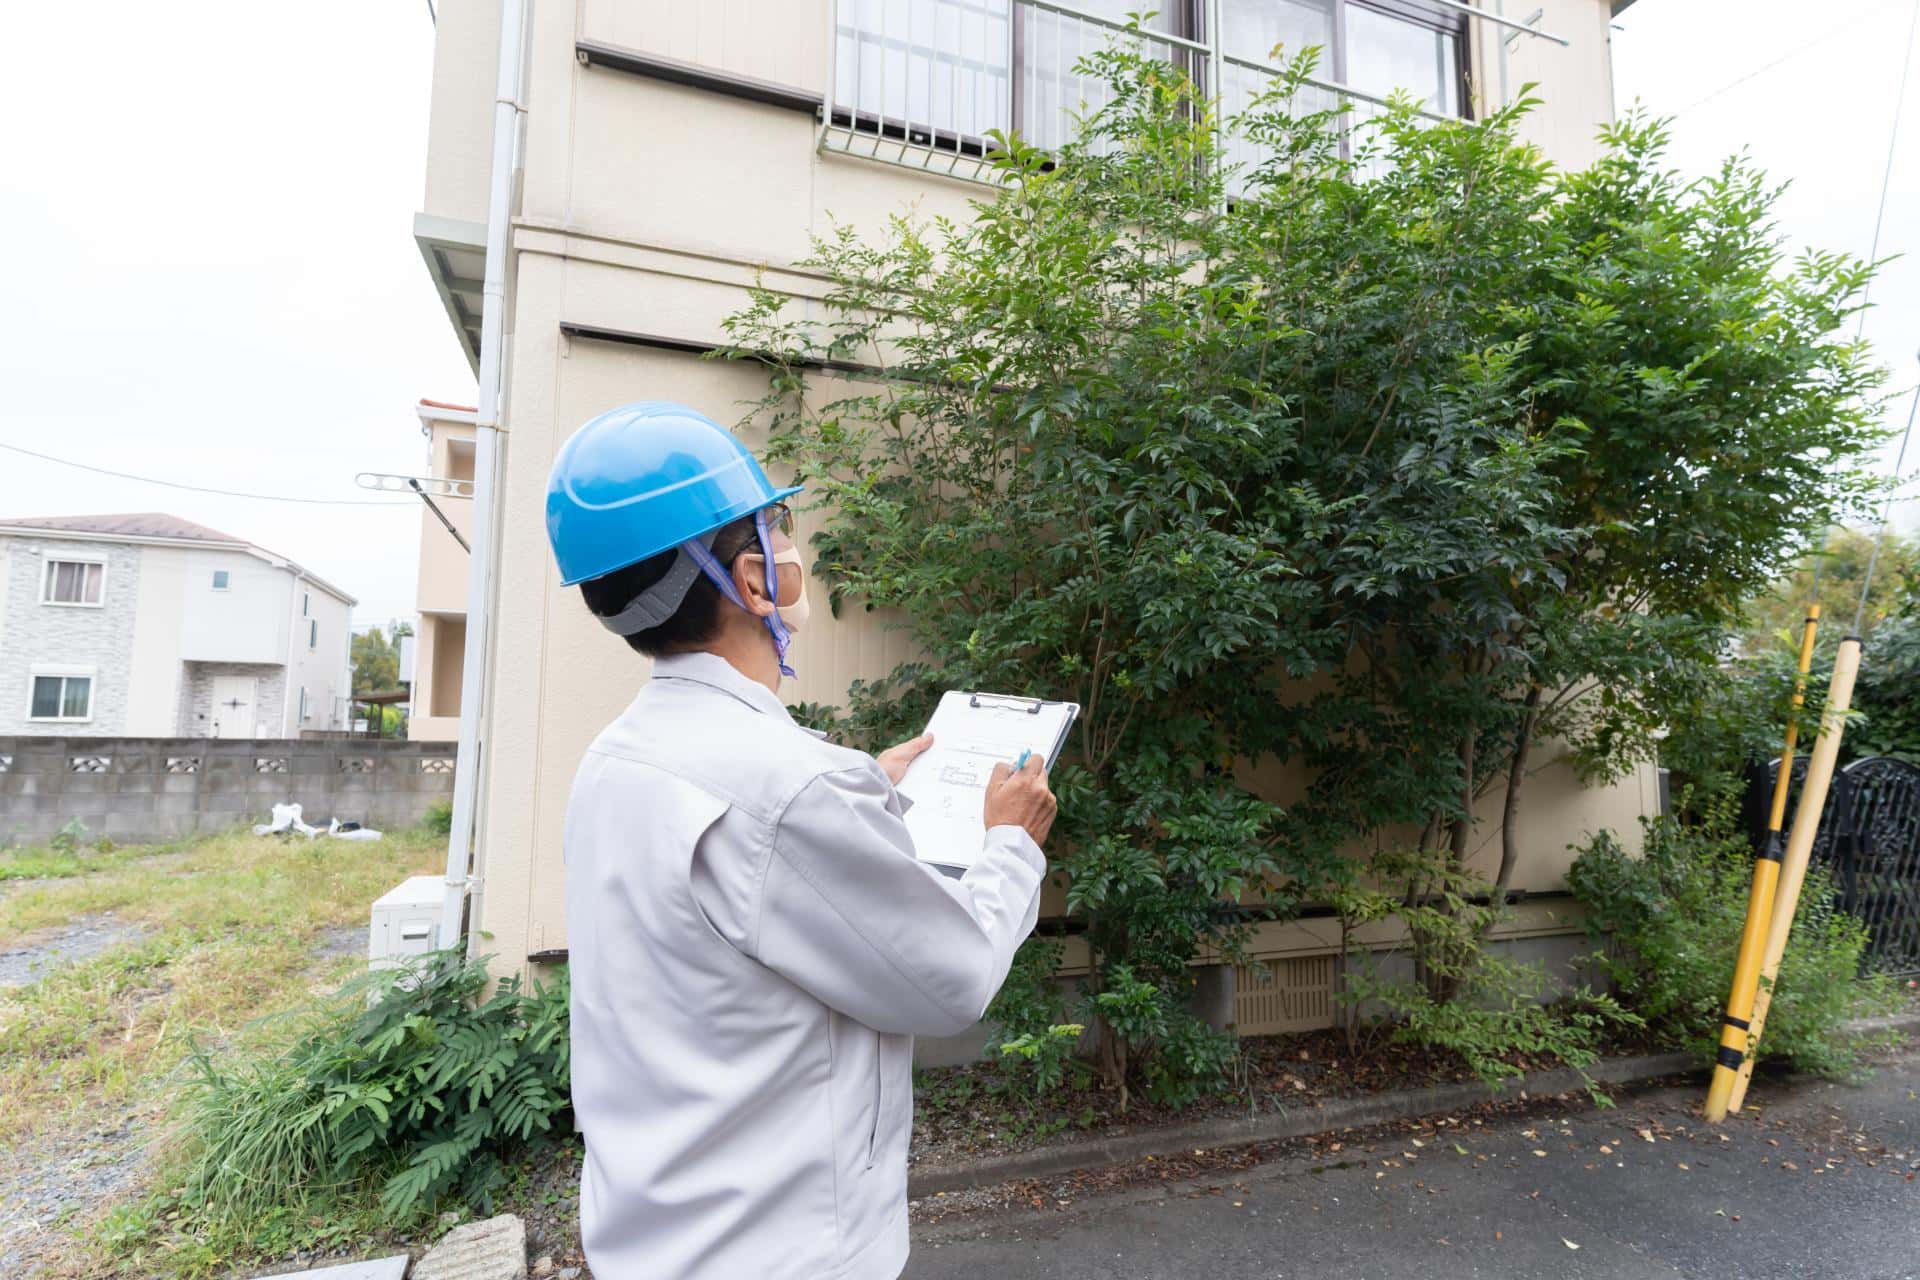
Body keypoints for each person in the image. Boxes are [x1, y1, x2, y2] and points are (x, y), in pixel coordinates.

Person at [544, 401, 1056, 1280]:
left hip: (650, 1241)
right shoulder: (787, 791)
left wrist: (863, 786)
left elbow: (745, 869)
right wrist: (1012, 841)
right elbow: (954, 978)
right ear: (750, 581)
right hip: (784, 1253)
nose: (793, 548)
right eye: (776, 526)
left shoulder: (616, 759)